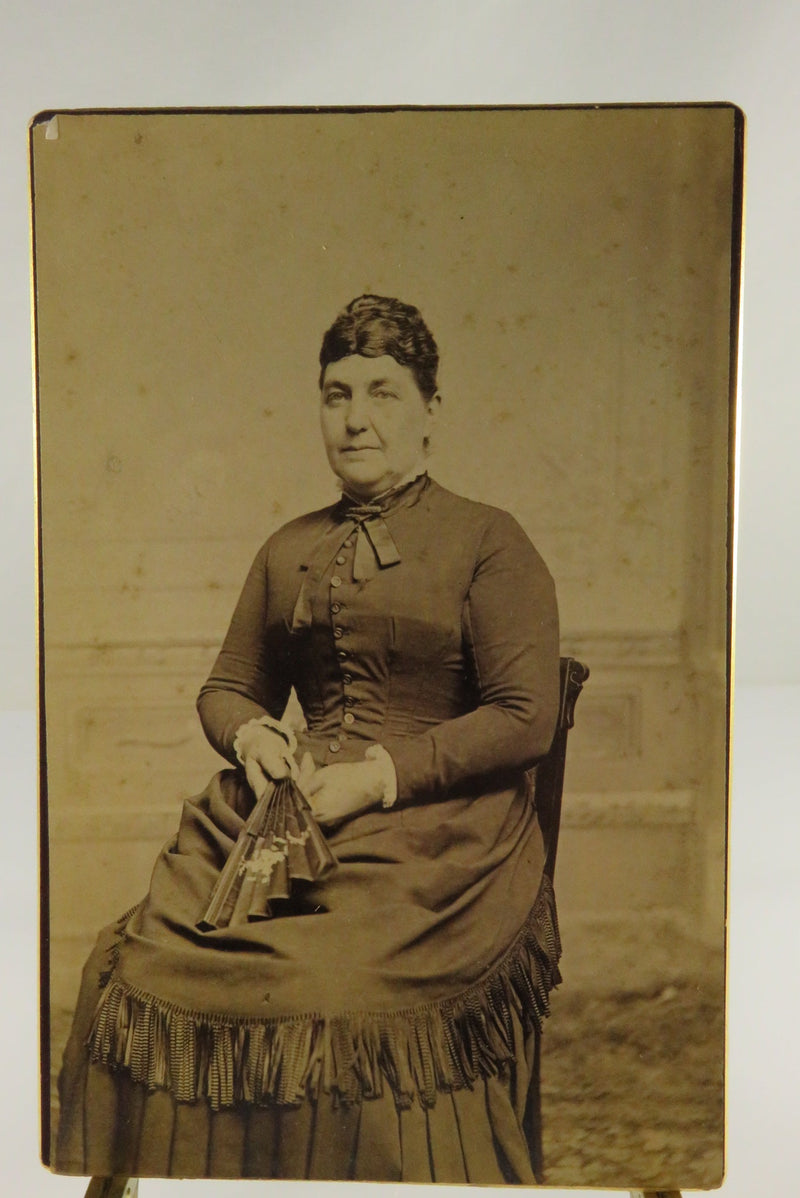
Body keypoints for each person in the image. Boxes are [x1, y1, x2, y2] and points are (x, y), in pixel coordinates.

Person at [55, 295, 562, 1184]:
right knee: (126, 965)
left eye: (382, 393)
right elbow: (227, 687)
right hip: (280, 822)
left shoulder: (490, 540)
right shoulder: (287, 546)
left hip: (435, 836)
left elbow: (526, 716)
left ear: (429, 410)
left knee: (339, 997)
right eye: (336, 395)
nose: (357, 418)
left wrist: (378, 779)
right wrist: (250, 736)